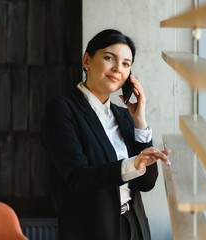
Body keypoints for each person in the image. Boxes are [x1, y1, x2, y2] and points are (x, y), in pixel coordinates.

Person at [40, 29, 170, 240]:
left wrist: (140, 121)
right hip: (92, 230)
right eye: (109, 58)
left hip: (134, 226)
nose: (118, 69)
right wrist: (131, 165)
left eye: (126, 64)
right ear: (87, 60)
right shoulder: (62, 110)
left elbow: (147, 183)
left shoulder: (124, 116)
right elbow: (77, 178)